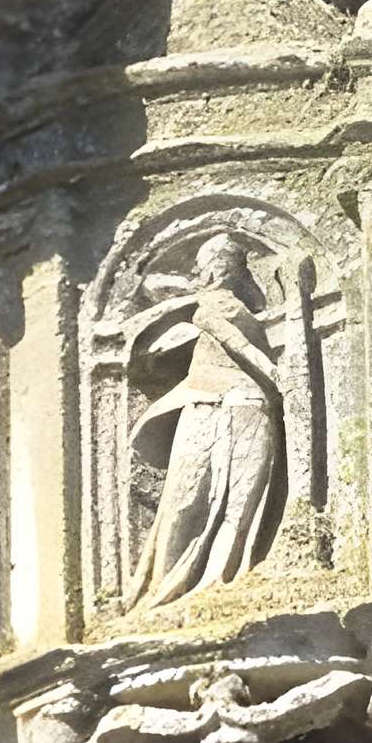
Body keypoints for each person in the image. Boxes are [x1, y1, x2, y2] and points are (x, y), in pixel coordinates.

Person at [127, 234, 282, 607]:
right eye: (211, 263)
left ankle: (222, 579)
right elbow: (238, 345)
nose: (211, 270)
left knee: (240, 503)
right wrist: (278, 377)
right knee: (186, 498)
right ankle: (165, 589)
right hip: (209, 404)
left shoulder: (235, 307)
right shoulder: (208, 307)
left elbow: (245, 341)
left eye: (223, 263)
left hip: (249, 406)